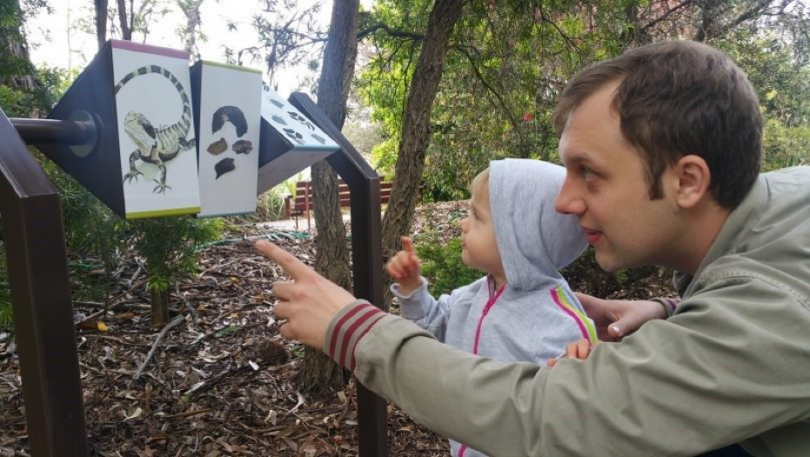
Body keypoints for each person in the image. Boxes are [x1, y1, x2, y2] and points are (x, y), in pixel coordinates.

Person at [257, 40, 810, 456]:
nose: (564, 202)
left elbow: (553, 417)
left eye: (589, 174)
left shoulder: (780, 305)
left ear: (688, 180)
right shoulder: (776, 210)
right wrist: (672, 310)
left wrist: (352, 329)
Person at [387, 160, 595, 457]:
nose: (462, 222)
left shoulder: (560, 324)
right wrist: (411, 289)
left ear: (518, 237)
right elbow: (432, 330)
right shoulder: (473, 296)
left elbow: (572, 416)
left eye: (477, 216)